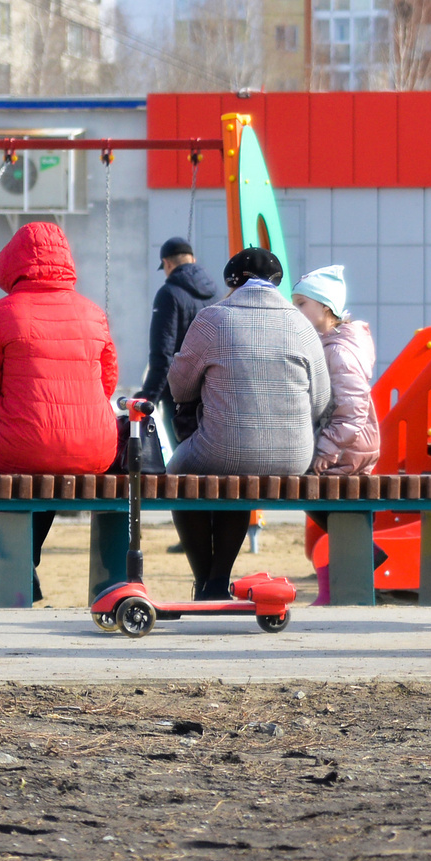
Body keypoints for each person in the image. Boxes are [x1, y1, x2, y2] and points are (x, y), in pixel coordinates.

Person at [0, 220, 120, 600]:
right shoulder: (92, 312)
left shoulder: (1, 312)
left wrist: (0, 421)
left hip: (24, 442)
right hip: (95, 447)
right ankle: (28, 562)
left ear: (13, 262)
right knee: (53, 463)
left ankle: (21, 564)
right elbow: (108, 381)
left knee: (19, 460)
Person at [165, 246, 329, 600]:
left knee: (179, 473)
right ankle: (215, 580)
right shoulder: (300, 325)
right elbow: (320, 400)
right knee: (241, 473)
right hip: (294, 457)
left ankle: (208, 582)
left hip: (223, 448)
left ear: (232, 284)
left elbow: (179, 385)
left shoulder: (214, 318)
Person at [140, 236, 223, 548]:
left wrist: (147, 396)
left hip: (179, 396)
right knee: (211, 465)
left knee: (184, 465)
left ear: (168, 263)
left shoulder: (169, 293)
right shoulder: (216, 293)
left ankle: (193, 537)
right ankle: (215, 533)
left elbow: (161, 354)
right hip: (215, 392)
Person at [293, 265, 380, 474]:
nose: (295, 311)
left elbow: (352, 406)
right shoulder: (330, 344)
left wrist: (327, 448)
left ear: (325, 306)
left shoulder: (340, 352)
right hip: (346, 444)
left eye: (301, 304)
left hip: (345, 449)